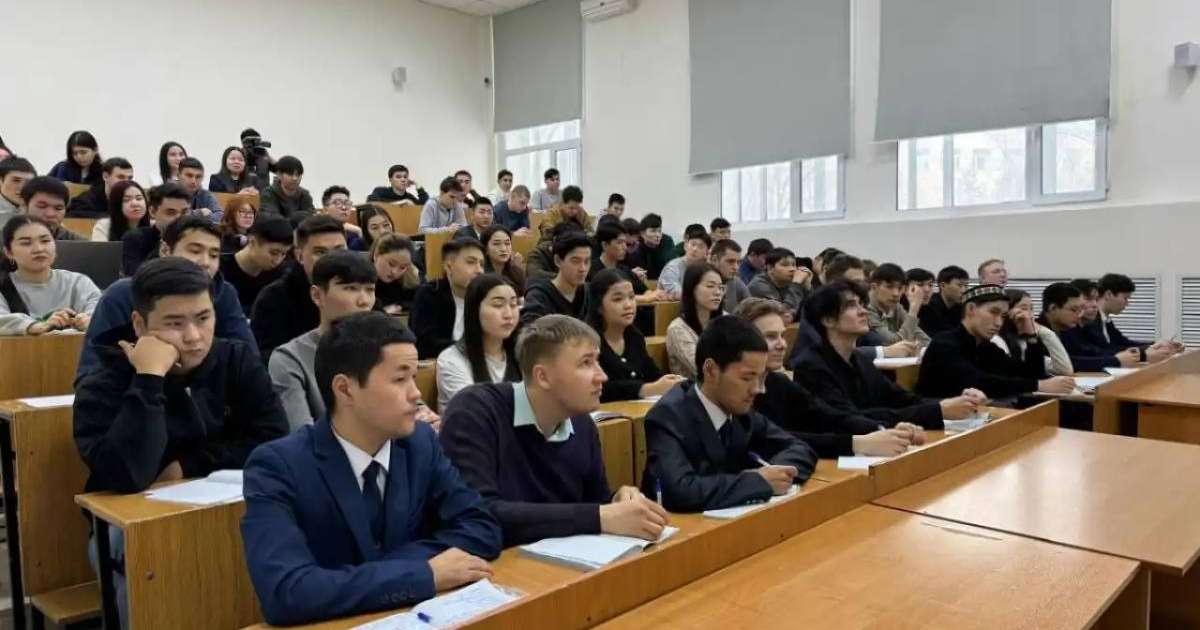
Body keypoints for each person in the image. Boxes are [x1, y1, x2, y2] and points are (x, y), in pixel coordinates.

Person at [243, 311, 500, 626]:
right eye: (399, 378)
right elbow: (286, 592)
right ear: (345, 389)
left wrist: (362, 576)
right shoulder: (278, 465)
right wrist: (423, 574)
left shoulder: (420, 443)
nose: (416, 393)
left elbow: (481, 529)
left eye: (414, 376)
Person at [76, 257, 288, 627]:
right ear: (140, 324)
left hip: (228, 508)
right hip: (134, 529)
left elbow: (273, 439)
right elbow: (127, 476)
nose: (193, 336)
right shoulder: (103, 382)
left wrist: (186, 466)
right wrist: (149, 379)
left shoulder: (234, 359)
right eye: (174, 324)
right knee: (137, 551)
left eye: (203, 318)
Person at [440, 314, 669, 545]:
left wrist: (617, 500)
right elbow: (480, 514)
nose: (602, 376)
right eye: (586, 363)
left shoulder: (582, 424)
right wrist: (600, 515)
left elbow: (593, 505)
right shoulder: (475, 411)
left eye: (597, 361)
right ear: (543, 376)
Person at [642, 315, 817, 512]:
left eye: (760, 378)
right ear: (711, 370)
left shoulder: (740, 412)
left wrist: (776, 474)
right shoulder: (668, 416)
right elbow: (679, 491)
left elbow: (799, 448)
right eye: (747, 378)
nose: (758, 389)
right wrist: (757, 481)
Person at [77, 216, 259, 381]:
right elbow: (91, 374)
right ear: (165, 250)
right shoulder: (122, 294)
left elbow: (250, 362)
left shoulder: (224, 293)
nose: (206, 262)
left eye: (213, 255)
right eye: (195, 251)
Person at [737, 299, 924, 458]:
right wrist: (857, 443)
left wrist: (883, 429)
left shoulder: (779, 382)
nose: (781, 345)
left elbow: (829, 415)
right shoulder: (735, 390)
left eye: (782, 336)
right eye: (770, 337)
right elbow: (775, 439)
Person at [793, 281, 984, 429]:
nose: (863, 311)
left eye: (862, 304)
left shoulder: (859, 359)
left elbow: (900, 398)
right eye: (852, 306)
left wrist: (952, 402)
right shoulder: (811, 367)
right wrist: (937, 411)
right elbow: (852, 418)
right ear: (827, 319)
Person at [271, 251, 377, 429]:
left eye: (370, 290)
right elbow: (301, 435)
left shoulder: (386, 348)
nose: (364, 301)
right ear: (317, 296)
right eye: (350, 288)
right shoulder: (290, 358)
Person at [916, 284, 1076, 400]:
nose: (999, 323)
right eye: (994, 312)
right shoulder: (945, 343)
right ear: (971, 309)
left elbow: (1028, 373)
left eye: (1003, 316)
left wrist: (1031, 336)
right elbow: (978, 382)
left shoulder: (986, 346)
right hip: (939, 424)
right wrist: (1038, 386)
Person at [252, 215, 347, 359]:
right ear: (300, 256)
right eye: (320, 252)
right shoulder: (273, 299)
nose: (332, 259)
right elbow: (268, 359)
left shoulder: (362, 289)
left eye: (339, 250)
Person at [588, 269, 685, 402]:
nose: (628, 305)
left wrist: (670, 382)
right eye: (617, 299)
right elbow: (598, 389)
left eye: (632, 297)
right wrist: (646, 389)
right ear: (598, 306)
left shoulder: (634, 337)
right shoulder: (587, 342)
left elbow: (653, 374)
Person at [1, 216, 101, 335]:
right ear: (8, 252)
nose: (38, 249)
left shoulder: (77, 282)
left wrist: (89, 321)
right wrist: (37, 326)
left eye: (45, 241)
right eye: (26, 243)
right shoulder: (3, 286)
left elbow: (101, 313)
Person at [436, 274, 521, 413]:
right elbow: (476, 413)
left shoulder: (522, 354)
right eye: (498, 305)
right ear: (474, 309)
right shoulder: (451, 359)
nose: (509, 314)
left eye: (513, 304)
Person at [410, 237, 485, 359]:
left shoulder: (485, 296)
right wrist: (472, 348)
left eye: (481, 264)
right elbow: (424, 345)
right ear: (449, 267)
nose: (479, 270)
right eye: (471, 262)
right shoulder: (430, 294)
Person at [1043, 282, 1140, 371]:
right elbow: (1068, 362)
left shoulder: (1066, 328)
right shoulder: (1037, 332)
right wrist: (1115, 360)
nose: (1079, 315)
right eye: (1073, 310)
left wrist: (1124, 357)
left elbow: (1089, 352)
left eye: (1080, 310)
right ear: (1053, 308)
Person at [1091, 273, 1183, 362]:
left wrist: (1156, 345)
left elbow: (1124, 343)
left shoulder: (1105, 320)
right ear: (1109, 295)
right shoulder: (1089, 320)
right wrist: (1144, 354)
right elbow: (1106, 350)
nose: (1127, 303)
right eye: (1125, 298)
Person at [220, 215, 292, 317]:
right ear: (253, 242)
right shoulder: (220, 271)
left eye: (284, 254)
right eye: (273, 253)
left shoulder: (282, 274)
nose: (278, 260)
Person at [666, 263, 724, 380]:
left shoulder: (725, 321)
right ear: (692, 289)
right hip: (693, 393)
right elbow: (705, 371)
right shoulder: (677, 329)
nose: (718, 292)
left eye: (720, 287)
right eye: (710, 286)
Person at [520, 230, 590, 326]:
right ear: (557, 261)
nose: (583, 268)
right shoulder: (539, 296)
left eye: (587, 261)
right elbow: (531, 334)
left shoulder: (589, 293)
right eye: (575, 261)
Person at [997, 289, 1073, 376]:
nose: (1030, 315)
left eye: (1031, 309)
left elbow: (1064, 370)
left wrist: (1044, 332)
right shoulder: (997, 341)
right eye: (1024, 308)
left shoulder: (1024, 342)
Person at [121, 183, 190, 275]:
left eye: (184, 213)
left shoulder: (197, 238)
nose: (179, 219)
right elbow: (134, 276)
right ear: (153, 212)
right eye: (171, 212)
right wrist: (161, 249)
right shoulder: (134, 238)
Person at [865, 263, 931, 345]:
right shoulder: (865, 308)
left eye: (900, 288)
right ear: (874, 287)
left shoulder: (896, 307)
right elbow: (893, 343)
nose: (896, 294)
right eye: (889, 287)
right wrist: (913, 310)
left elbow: (924, 339)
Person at [746, 247, 811, 321]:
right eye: (785, 265)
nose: (792, 269)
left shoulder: (790, 281)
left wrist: (807, 286)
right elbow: (781, 313)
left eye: (793, 265)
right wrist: (796, 284)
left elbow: (810, 308)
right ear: (770, 268)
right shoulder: (758, 285)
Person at [20, 176, 85, 240]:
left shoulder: (80, 244)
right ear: (24, 206)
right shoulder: (10, 237)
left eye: (58, 208)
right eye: (42, 206)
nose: (50, 214)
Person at [66, 157, 134, 218]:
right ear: (105, 176)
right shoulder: (86, 201)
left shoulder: (134, 199)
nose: (127, 182)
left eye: (130, 178)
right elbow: (71, 216)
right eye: (121, 177)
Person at [371, 233, 422, 315]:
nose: (394, 272)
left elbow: (421, 301)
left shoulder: (408, 279)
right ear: (376, 255)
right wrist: (381, 312)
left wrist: (400, 306)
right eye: (391, 264)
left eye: (402, 267)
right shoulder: (361, 279)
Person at [658, 227, 711, 299]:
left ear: (707, 253)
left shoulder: (706, 269)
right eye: (693, 244)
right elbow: (675, 292)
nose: (695, 249)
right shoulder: (672, 267)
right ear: (685, 246)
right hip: (670, 308)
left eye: (700, 246)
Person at [919, 265, 969, 337]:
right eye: (960, 285)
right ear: (943, 285)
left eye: (966, 286)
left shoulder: (962, 307)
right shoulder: (928, 307)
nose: (964, 290)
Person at [173, 157, 225, 222]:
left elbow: (220, 216)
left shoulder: (206, 194)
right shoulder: (169, 192)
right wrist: (199, 213)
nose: (193, 181)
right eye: (189, 175)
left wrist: (193, 216)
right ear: (178, 175)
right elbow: (174, 217)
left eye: (198, 177)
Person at [480, 225, 526, 294]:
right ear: (485, 248)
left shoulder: (517, 273)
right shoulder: (480, 275)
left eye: (507, 243)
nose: (503, 249)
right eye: (496, 244)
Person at [709, 239, 749, 314]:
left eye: (738, 262)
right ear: (714, 260)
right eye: (730, 261)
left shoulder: (736, 282)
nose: (736, 267)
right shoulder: (700, 283)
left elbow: (752, 308)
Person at [320, 185, 365, 250]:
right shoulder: (317, 232)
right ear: (325, 210)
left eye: (347, 203)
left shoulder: (354, 232)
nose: (344, 207)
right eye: (338, 203)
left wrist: (360, 232)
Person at [0, 156, 35, 230]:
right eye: (16, 180)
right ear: (1, 181)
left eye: (28, 182)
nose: (22, 187)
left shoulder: (38, 210)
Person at [637, 213, 675, 280]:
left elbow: (673, 264)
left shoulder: (667, 241)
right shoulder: (636, 243)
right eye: (653, 231)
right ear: (642, 233)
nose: (658, 235)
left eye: (659, 231)